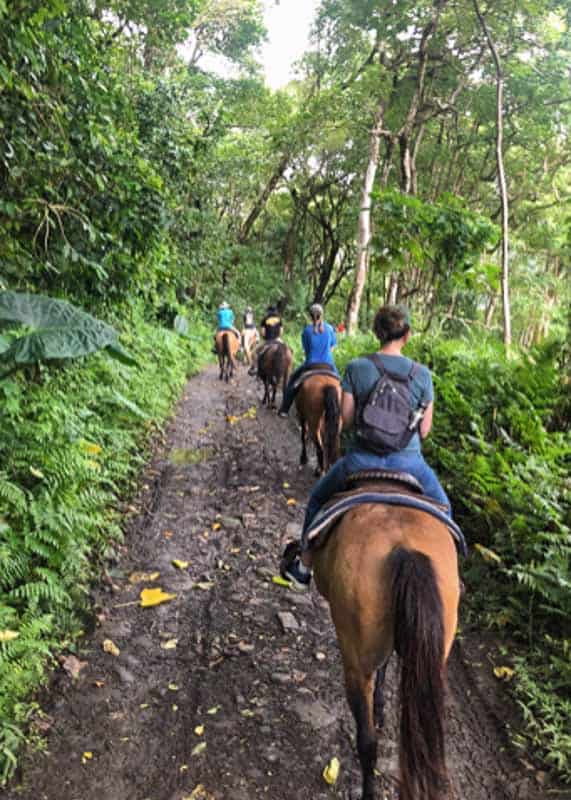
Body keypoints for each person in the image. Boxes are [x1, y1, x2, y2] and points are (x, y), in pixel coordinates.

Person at [283, 304, 451, 591]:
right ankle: (451, 579)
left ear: (376, 333)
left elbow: (345, 420)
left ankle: (304, 566)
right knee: (445, 510)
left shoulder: (358, 368)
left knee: (317, 500)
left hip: (361, 460)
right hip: (411, 464)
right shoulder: (422, 375)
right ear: (407, 335)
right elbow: (425, 430)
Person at [278, 303, 338, 417]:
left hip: (311, 364)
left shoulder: (306, 331)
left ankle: (285, 409)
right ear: (322, 315)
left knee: (292, 382)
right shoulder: (330, 329)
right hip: (328, 365)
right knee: (341, 384)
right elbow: (332, 346)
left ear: (310, 316)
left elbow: (306, 351)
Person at [248, 304, 283, 375]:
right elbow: (281, 331)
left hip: (268, 340)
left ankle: (255, 368)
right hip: (277, 339)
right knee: (289, 350)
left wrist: (265, 337)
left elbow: (263, 333)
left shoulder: (265, 319)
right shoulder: (279, 319)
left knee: (253, 353)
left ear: (268, 311)